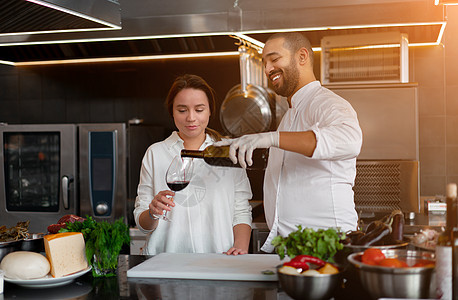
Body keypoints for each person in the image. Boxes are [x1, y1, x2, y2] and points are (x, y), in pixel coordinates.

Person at [215, 32, 363, 253]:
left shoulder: (327, 103)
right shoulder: (288, 117)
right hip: (291, 247)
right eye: (265, 63)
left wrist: (270, 138)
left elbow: (349, 141)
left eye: (274, 60)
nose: (267, 69)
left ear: (302, 57)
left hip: (327, 246)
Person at [133, 74, 252, 255]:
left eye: (199, 109)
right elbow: (143, 226)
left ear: (210, 110)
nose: (191, 118)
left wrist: (240, 249)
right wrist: (152, 212)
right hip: (164, 264)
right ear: (171, 111)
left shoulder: (228, 152)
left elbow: (241, 210)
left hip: (219, 261)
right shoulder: (155, 153)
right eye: (182, 110)